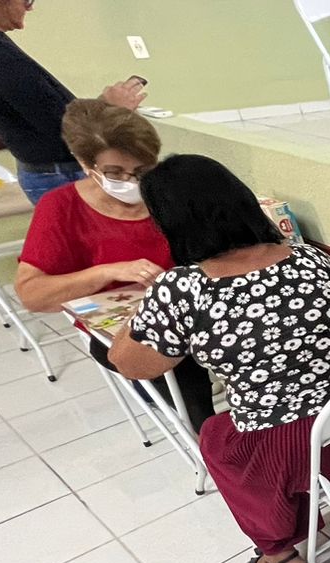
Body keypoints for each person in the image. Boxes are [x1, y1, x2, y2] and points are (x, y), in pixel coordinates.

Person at [108, 155, 330, 563]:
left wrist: (147, 307)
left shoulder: (183, 288)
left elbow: (130, 362)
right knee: (251, 429)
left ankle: (280, 556)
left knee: (219, 438)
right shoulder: (311, 258)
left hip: (308, 454)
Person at [14, 98, 213, 433]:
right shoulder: (61, 208)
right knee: (178, 367)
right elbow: (32, 294)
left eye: (142, 171)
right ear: (85, 164)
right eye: (114, 173)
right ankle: (215, 444)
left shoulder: (171, 190)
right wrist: (108, 271)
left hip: (194, 311)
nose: (132, 181)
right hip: (130, 332)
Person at [0, 0, 147, 204]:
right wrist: (109, 106)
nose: (30, 7)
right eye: (26, 1)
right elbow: (60, 124)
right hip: (59, 173)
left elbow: (38, 107)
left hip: (44, 169)